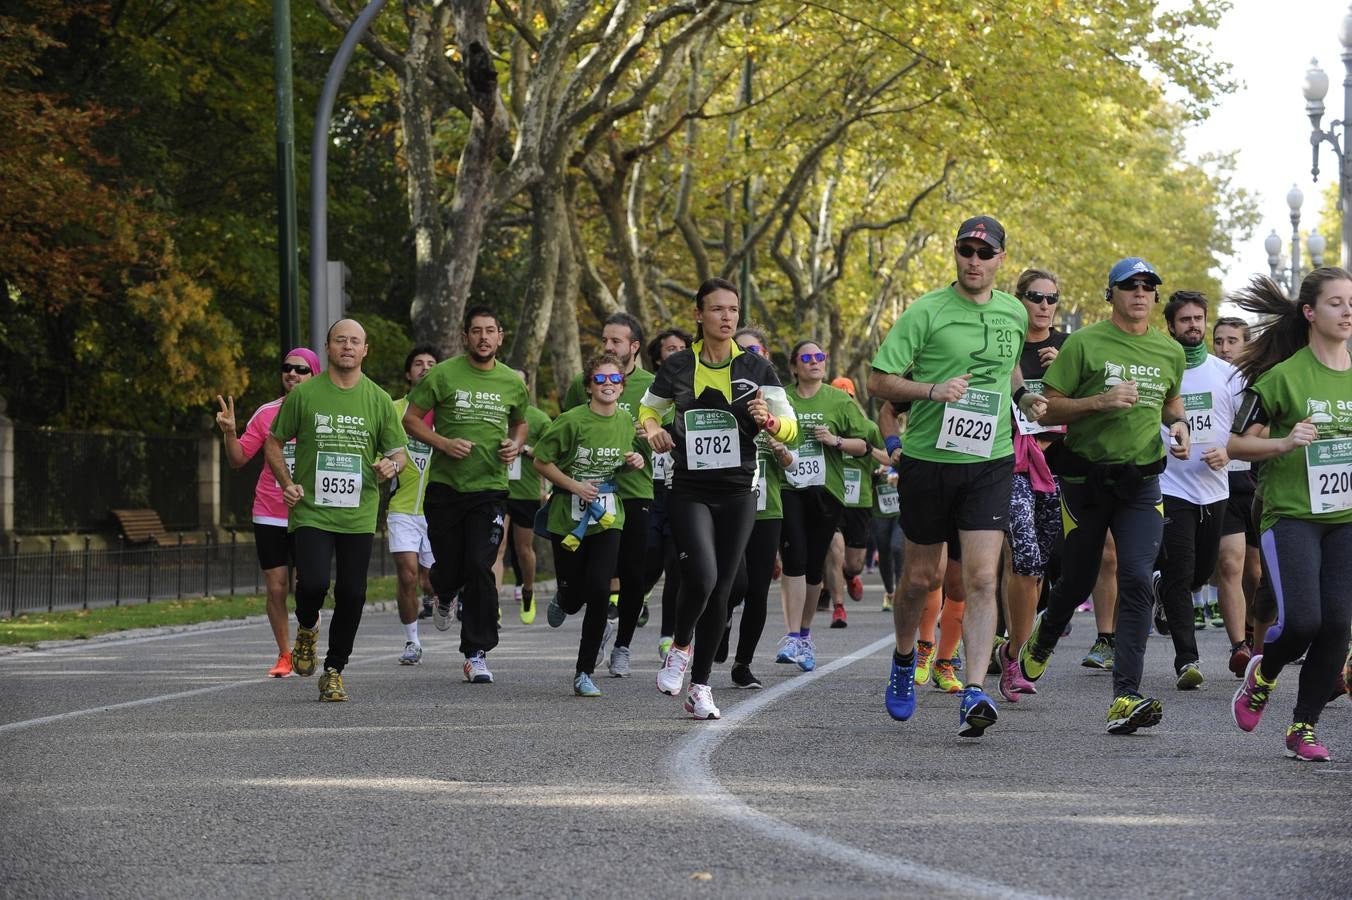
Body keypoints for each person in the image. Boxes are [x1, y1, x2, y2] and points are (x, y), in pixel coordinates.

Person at [869, 215, 1043, 738]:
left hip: (989, 460)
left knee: (983, 577)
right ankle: (904, 659)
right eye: (966, 250)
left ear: (1000, 260)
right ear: (956, 255)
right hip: (929, 459)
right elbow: (879, 380)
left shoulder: (1014, 311)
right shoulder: (927, 311)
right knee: (921, 580)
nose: (974, 260)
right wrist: (931, 391)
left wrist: (1023, 396)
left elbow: (1010, 369)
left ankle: (973, 691)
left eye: (984, 253)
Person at [1017, 257, 1188, 734]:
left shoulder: (1167, 350)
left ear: (1156, 296)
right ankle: (1043, 637)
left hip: (1141, 484)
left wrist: (1178, 425)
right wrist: (1100, 401)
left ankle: (1124, 695)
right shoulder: (1085, 343)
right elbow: (1048, 406)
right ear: (1110, 294)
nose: (1139, 293)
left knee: (1136, 578)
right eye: (1129, 286)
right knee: (1076, 581)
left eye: (1148, 286)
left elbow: (1170, 401)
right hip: (1084, 481)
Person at [640, 278, 798, 720]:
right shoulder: (677, 367)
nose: (726, 317)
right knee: (704, 577)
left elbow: (792, 427)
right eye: (717, 310)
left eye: (733, 310)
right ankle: (680, 645)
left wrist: (770, 423)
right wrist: (653, 429)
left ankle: (701, 686)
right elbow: (648, 408)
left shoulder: (757, 369)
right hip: (689, 487)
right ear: (699, 314)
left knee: (725, 590)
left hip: (738, 491)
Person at [1228, 268, 1352, 762]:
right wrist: (1285, 441)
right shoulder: (1281, 378)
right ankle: (1264, 673)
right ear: (1309, 312)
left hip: (1345, 518)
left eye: (1351, 303)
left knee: (1338, 626)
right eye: (1336, 303)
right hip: (1292, 515)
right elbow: (1236, 443)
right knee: (1302, 621)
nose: (1347, 312)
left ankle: (1303, 727)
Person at [266, 320, 407, 701]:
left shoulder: (378, 399)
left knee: (352, 593)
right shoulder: (305, 395)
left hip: (358, 514)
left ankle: (334, 669)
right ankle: (308, 628)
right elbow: (274, 442)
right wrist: (286, 483)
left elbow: (399, 452)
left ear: (365, 351)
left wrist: (391, 466)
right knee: (311, 584)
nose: (347, 346)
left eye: (355, 341)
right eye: (340, 340)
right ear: (327, 348)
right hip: (311, 510)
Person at [403, 307, 528, 685]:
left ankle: (476, 652)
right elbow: (410, 419)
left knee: (479, 566)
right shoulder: (443, 374)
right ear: (465, 337)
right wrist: (443, 442)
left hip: (490, 489)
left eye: (491, 331)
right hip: (446, 487)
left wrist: (515, 445)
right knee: (450, 567)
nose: (484, 338)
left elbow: (520, 422)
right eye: (477, 331)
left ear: (500, 337)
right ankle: (443, 592)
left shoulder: (512, 381)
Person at [534, 353, 646, 697]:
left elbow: (620, 464)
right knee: (574, 597)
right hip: (567, 517)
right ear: (589, 386)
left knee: (600, 589)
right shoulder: (571, 421)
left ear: (622, 386)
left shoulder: (627, 423)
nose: (608, 384)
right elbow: (541, 460)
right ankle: (564, 597)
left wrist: (634, 462)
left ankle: (584, 671)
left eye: (615, 379)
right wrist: (573, 485)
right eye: (601, 379)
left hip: (608, 517)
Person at [1153, 291, 1242, 690]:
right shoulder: (1161, 370)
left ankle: (1165, 588)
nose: (1192, 325)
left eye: (1198, 319)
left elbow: (1246, 429)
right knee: (1181, 569)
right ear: (1171, 326)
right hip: (1172, 485)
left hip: (1215, 488)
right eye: (1184, 320)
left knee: (1202, 573)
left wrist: (1229, 451)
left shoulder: (1227, 374)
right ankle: (1187, 659)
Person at [215, 346, 320, 677]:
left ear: (315, 375)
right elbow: (237, 460)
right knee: (276, 587)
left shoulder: (323, 414)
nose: (293, 373)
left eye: (302, 369)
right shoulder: (265, 414)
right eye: (288, 368)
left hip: (310, 514)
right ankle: (285, 654)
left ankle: (307, 640)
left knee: (309, 587)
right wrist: (230, 432)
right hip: (270, 511)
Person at [560, 312, 654, 677]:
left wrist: (646, 443)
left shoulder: (653, 386)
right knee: (588, 575)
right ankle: (595, 621)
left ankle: (622, 646)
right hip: (589, 492)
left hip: (634, 491)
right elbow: (567, 430)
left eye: (616, 341)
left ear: (634, 347)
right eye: (605, 340)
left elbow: (664, 436)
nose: (609, 347)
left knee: (632, 574)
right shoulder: (581, 384)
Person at [776, 341, 872, 669]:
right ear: (794, 366)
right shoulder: (781, 397)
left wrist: (836, 441)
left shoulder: (838, 400)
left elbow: (864, 444)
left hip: (827, 490)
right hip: (788, 487)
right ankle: (791, 636)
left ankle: (804, 635)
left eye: (820, 357)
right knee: (795, 558)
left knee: (814, 565)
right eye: (807, 357)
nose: (815, 362)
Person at [715, 326, 795, 690]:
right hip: (727, 504)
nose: (750, 356)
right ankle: (723, 620)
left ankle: (743, 664)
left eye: (756, 350)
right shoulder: (717, 393)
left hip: (767, 508)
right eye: (742, 350)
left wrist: (781, 449)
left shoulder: (775, 401)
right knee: (734, 582)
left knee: (758, 588)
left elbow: (793, 460)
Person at [998, 269, 1065, 701]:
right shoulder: (1004, 343)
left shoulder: (1071, 347)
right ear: (1019, 299)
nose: (1043, 305)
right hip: (1012, 463)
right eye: (1035, 297)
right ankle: (1017, 656)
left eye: (1051, 298)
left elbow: (1091, 402)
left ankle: (1011, 644)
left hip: (1060, 464)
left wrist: (1065, 373)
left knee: (1046, 563)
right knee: (1024, 557)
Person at [1212, 316, 1265, 676]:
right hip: (1218, 481)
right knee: (1231, 562)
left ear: (1247, 345)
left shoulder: (1262, 382)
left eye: (1233, 341)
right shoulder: (1204, 376)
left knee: (1257, 572)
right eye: (1219, 341)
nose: (1225, 348)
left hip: (1256, 481)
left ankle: (1253, 630)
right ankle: (1239, 647)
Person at [388, 345, 440, 665]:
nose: (424, 368)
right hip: (402, 508)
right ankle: (412, 641)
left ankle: (441, 598)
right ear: (409, 373)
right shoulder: (393, 409)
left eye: (431, 364)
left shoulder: (448, 415)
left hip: (438, 509)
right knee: (407, 575)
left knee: (431, 580)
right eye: (418, 364)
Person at [645, 329, 693, 660]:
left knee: (678, 566)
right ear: (660, 358)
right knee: (647, 564)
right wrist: (643, 430)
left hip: (681, 488)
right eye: (669, 349)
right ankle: (633, 598)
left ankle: (669, 635)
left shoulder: (695, 392)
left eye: (682, 349)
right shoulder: (649, 398)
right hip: (649, 492)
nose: (676, 353)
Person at [505, 369, 552, 624]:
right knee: (496, 549)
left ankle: (528, 591)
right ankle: (491, 603)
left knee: (524, 550)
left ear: (526, 387)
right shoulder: (494, 412)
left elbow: (552, 454)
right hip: (498, 490)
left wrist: (526, 449)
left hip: (526, 492)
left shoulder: (539, 419)